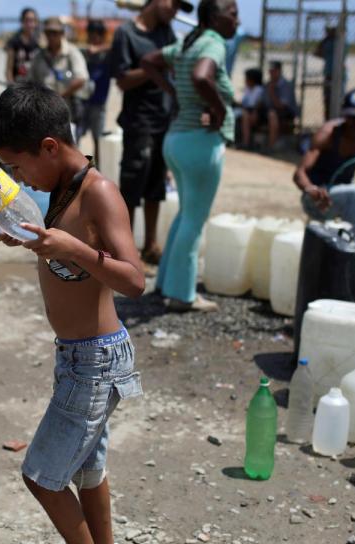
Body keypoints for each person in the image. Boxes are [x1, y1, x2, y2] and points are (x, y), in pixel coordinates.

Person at [0, 81, 144, 544]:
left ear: (49, 147)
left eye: (17, 164)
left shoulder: (99, 193)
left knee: (42, 476)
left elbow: (134, 280)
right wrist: (30, 241)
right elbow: (60, 252)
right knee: (88, 470)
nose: (17, 177)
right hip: (74, 354)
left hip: (96, 357)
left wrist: (75, 250)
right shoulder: (57, 191)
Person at [142, 0, 239, 312]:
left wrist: (173, 92)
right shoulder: (213, 43)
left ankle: (166, 285)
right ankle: (183, 295)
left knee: (186, 214)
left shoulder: (188, 41)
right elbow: (201, 76)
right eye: (233, 13)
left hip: (177, 139)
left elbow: (149, 61)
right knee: (194, 221)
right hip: (200, 143)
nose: (237, 20)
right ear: (214, 16)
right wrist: (219, 109)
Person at [108, 0, 191, 266]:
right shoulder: (126, 33)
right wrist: (151, 67)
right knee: (132, 185)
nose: (175, 11)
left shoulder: (166, 33)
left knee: (157, 186)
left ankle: (151, 245)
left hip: (164, 119)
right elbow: (122, 80)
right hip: (139, 121)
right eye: (173, 4)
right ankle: (127, 250)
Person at [294, 88, 355, 225]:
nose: (352, 123)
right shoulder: (328, 133)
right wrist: (311, 189)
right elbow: (299, 173)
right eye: (349, 117)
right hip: (319, 201)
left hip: (349, 198)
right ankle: (349, 240)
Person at [28, 17, 89, 128]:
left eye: (55, 33)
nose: (51, 36)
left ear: (62, 33)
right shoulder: (39, 56)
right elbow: (31, 81)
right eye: (49, 33)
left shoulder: (72, 52)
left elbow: (81, 78)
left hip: (68, 110)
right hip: (44, 111)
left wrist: (59, 97)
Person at [75, 19, 111, 152]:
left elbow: (117, 46)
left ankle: (98, 168)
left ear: (102, 36)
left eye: (96, 35)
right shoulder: (83, 52)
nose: (92, 38)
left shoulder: (108, 54)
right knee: (76, 136)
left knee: (99, 140)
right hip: (82, 102)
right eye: (90, 34)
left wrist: (99, 48)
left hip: (99, 103)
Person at [248, 60, 297, 150]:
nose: (271, 74)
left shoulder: (286, 85)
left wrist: (272, 92)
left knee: (272, 114)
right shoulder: (268, 84)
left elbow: (281, 106)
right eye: (270, 71)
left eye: (273, 71)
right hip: (271, 110)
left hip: (285, 112)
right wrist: (255, 111)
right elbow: (261, 101)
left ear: (279, 71)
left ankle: (270, 147)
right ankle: (247, 143)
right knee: (247, 114)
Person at [314, 25, 346, 121]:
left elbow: (318, 50)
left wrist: (327, 37)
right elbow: (317, 52)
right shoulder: (329, 43)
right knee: (328, 101)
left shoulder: (339, 43)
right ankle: (329, 121)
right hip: (329, 75)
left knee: (338, 100)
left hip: (339, 76)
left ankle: (337, 120)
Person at [4, 7, 38, 84]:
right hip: (18, 85)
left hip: (34, 86)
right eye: (27, 20)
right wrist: (11, 86)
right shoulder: (14, 42)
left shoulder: (38, 43)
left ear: (36, 22)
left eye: (32, 21)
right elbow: (9, 69)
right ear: (22, 21)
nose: (30, 24)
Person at [238, 67, 263, 149]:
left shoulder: (259, 90)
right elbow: (244, 103)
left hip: (255, 113)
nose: (245, 80)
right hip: (246, 110)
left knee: (245, 115)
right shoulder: (247, 89)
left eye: (247, 78)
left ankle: (246, 142)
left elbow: (255, 105)